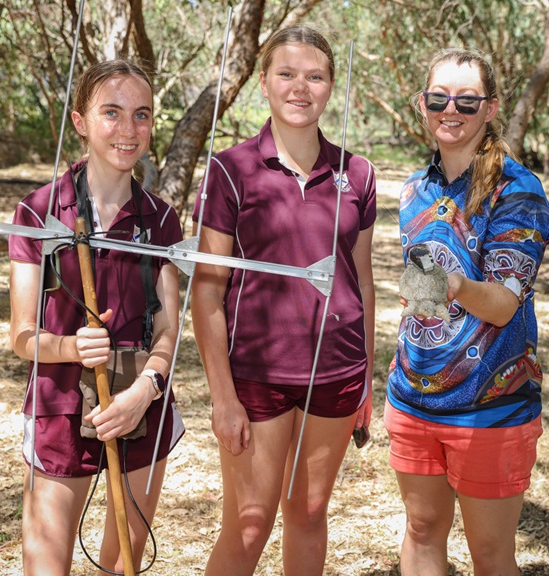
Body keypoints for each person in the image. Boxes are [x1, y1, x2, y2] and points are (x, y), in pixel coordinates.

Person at [191, 26, 376, 576]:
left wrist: (368, 378)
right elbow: (207, 291)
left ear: (330, 88)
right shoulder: (231, 169)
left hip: (337, 372)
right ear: (264, 85)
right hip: (256, 376)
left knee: (310, 513)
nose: (301, 87)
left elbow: (362, 282)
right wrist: (223, 398)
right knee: (249, 526)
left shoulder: (358, 173)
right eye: (287, 74)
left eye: (315, 76)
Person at [8, 59, 185, 575]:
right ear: (81, 121)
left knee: (122, 565)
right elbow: (21, 334)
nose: (128, 130)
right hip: (58, 408)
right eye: (111, 112)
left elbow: (171, 327)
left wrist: (145, 390)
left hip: (140, 405)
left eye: (141, 114)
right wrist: (69, 347)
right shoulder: (38, 212)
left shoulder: (161, 219)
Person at [385, 49, 549, 576]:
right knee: (420, 532)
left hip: (490, 407)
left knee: (489, 555)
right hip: (413, 398)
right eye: (438, 98)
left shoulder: (517, 190)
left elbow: (505, 303)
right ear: (423, 104)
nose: (450, 109)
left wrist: (454, 284)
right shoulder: (416, 190)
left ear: (490, 108)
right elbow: (424, 285)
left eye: (466, 99)